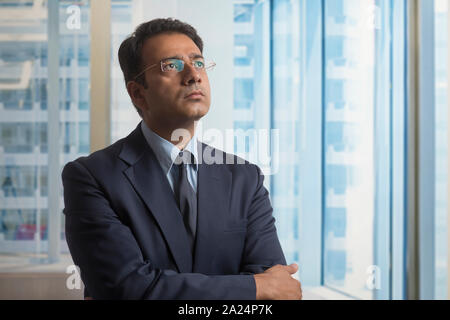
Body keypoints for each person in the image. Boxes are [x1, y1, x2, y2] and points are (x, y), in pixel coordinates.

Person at [62, 18, 302, 300]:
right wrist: (254, 288)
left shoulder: (244, 177)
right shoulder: (92, 177)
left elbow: (277, 294)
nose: (193, 75)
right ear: (138, 93)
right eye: (172, 66)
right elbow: (127, 288)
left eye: (198, 63)